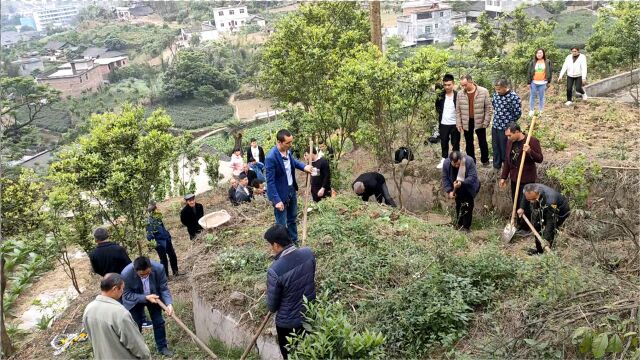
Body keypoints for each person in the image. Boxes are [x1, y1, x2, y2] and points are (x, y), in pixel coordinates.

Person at [264, 224, 316, 360]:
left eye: (270, 244)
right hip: (309, 314)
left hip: (288, 323)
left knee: (290, 355)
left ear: (276, 245)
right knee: (309, 353)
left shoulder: (275, 270)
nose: (271, 248)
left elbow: (272, 306)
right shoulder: (308, 253)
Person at [83, 273, 151, 360]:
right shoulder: (120, 313)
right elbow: (135, 344)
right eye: (122, 288)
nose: (123, 291)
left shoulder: (88, 309)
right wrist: (147, 356)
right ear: (115, 289)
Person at [265, 129, 314, 244]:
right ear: (279, 142)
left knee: (292, 218)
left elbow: (293, 162)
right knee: (281, 223)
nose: (290, 145)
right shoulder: (271, 157)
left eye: (291, 142)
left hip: (291, 189)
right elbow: (270, 181)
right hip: (280, 194)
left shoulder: (288, 151)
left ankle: (294, 240)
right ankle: (283, 245)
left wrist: (304, 167)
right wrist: (276, 200)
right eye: (288, 143)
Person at [121, 257, 174, 357]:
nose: (145, 276)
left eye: (148, 273)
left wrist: (169, 304)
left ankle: (162, 347)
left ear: (151, 267)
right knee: (135, 325)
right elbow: (127, 294)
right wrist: (145, 297)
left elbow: (163, 288)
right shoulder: (125, 274)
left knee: (159, 322)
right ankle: (137, 350)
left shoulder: (159, 268)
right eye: (142, 275)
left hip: (154, 298)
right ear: (135, 270)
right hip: (135, 300)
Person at [500, 122, 543, 234]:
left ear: (517, 132)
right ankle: (519, 225)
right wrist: (504, 177)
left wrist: (529, 151)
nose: (508, 138)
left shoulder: (531, 141)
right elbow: (507, 161)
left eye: (510, 135)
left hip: (527, 179)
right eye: (507, 136)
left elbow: (539, 159)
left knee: (525, 204)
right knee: (516, 202)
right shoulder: (510, 142)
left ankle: (526, 228)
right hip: (515, 178)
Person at [517, 183, 570, 255]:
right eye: (529, 199)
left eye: (533, 199)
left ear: (537, 194)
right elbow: (525, 196)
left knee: (551, 230)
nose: (531, 201)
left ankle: (547, 251)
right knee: (536, 225)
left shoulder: (550, 201)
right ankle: (539, 251)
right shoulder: (528, 188)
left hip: (560, 210)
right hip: (544, 206)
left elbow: (550, 222)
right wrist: (522, 207)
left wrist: (545, 239)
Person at [456, 74, 493, 166]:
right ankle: (471, 161)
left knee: (482, 141)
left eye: (465, 84)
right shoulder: (460, 94)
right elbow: (457, 110)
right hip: (466, 121)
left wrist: (486, 121)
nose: (463, 87)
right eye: (462, 85)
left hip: (479, 120)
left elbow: (488, 108)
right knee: (469, 142)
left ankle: (485, 160)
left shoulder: (483, 91)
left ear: (471, 81)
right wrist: (459, 123)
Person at [441, 151, 480, 232]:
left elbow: (473, 177)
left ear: (461, 159)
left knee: (467, 205)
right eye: (454, 164)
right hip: (456, 187)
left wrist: (462, 182)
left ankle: (466, 227)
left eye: (458, 164)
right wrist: (449, 191)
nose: (457, 166)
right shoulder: (446, 163)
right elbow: (445, 178)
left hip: (469, 186)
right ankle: (459, 224)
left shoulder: (469, 161)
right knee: (458, 204)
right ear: (450, 160)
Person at [491, 79, 522, 171]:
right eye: (496, 89)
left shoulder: (513, 97)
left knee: (505, 147)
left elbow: (518, 112)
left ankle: (506, 166)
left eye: (499, 89)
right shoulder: (495, 95)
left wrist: (510, 123)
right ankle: (496, 165)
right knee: (495, 146)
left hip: (506, 128)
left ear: (505, 87)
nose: (498, 91)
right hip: (496, 125)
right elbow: (494, 106)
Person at [146, 201, 179, 278]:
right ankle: (166, 276)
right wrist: (156, 244)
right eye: (156, 207)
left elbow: (162, 228)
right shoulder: (149, 221)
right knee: (163, 260)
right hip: (160, 243)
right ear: (154, 209)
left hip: (166, 240)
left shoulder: (157, 217)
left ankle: (176, 272)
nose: (158, 208)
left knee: (172, 255)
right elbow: (149, 236)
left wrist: (168, 236)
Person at [435, 73, 460, 169]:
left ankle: (455, 160)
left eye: (449, 85)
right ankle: (444, 159)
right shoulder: (440, 96)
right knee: (444, 142)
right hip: (444, 123)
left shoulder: (458, 95)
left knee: (455, 143)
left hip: (455, 123)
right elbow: (437, 107)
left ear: (453, 84)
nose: (447, 87)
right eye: (445, 85)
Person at [527, 48, 553, 116]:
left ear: (543, 54)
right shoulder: (533, 62)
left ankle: (540, 111)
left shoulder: (547, 61)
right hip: (534, 82)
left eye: (541, 53)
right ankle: (531, 110)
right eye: (538, 53)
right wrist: (528, 82)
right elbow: (529, 72)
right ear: (536, 54)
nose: (539, 54)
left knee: (541, 97)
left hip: (543, 83)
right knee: (532, 96)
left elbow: (550, 71)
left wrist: (549, 81)